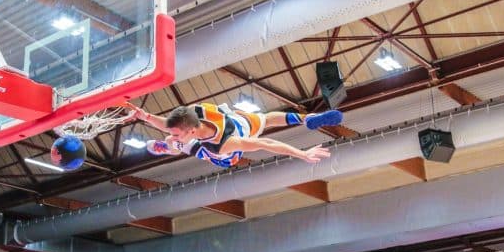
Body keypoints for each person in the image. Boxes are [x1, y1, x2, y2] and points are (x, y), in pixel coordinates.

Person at [127, 102, 342, 167]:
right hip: (237, 121)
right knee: (266, 119)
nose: (173, 133)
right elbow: (169, 124)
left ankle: (165, 149)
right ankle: (308, 118)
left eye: (177, 133)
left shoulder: (221, 147)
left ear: (192, 131)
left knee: (171, 144)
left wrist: (302, 154)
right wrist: (144, 115)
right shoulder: (194, 112)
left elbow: (266, 143)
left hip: (226, 153)